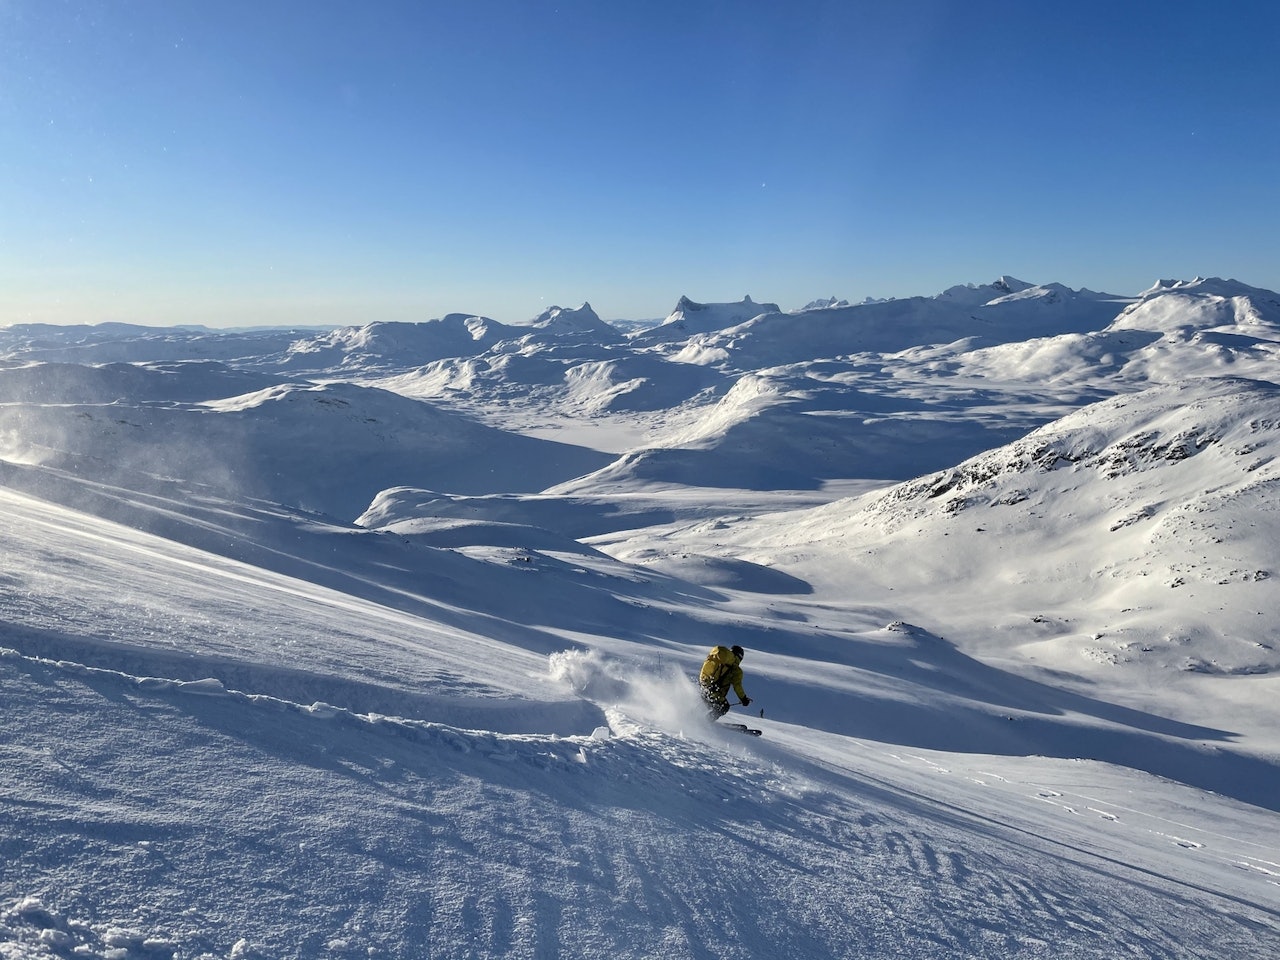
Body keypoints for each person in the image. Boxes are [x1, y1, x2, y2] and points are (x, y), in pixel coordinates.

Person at [698, 644, 751, 720]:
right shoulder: (736, 669)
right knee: (724, 707)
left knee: (705, 704)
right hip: (715, 692)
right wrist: (743, 699)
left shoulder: (719, 659)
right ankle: (706, 721)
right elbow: (737, 686)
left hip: (704, 687)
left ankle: (691, 717)